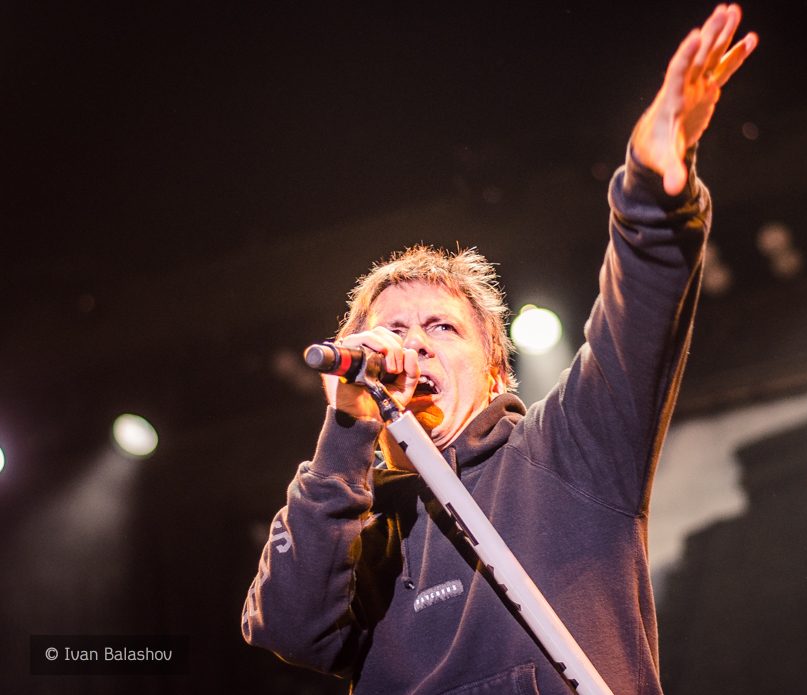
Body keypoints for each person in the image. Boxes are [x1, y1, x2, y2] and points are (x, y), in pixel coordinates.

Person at [242, 5, 757, 693]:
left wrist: (648, 187)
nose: (411, 345)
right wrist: (345, 428)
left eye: (441, 328)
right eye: (390, 331)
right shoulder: (357, 533)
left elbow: (638, 317)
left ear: (494, 374)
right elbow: (289, 627)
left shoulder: (565, 452)